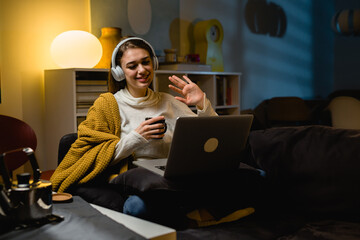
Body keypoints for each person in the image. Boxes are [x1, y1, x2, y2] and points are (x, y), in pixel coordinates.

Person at [50, 37, 217, 219]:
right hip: (137, 182)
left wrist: (202, 104)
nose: (142, 70)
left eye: (146, 62)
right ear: (119, 72)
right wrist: (136, 137)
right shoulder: (108, 105)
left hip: (172, 175)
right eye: (132, 66)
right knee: (139, 207)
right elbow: (94, 155)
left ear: (153, 63)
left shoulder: (169, 101)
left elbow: (212, 136)